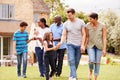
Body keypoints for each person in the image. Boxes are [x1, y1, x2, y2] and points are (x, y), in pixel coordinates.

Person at [56, 8, 86, 80]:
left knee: (76, 61)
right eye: (67, 16)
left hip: (79, 44)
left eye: (70, 15)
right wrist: (61, 42)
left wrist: (83, 45)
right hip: (70, 44)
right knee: (71, 60)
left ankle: (71, 75)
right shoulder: (66, 24)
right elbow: (64, 35)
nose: (69, 17)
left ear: (74, 14)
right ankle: (75, 77)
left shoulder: (81, 22)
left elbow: (84, 34)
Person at [85, 13, 107, 80]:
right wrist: (84, 46)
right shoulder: (87, 26)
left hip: (99, 46)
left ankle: (95, 78)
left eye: (91, 19)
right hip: (90, 46)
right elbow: (87, 37)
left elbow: (104, 37)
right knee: (91, 60)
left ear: (95, 19)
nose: (89, 20)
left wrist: (104, 49)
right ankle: (90, 72)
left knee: (97, 62)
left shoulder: (102, 26)